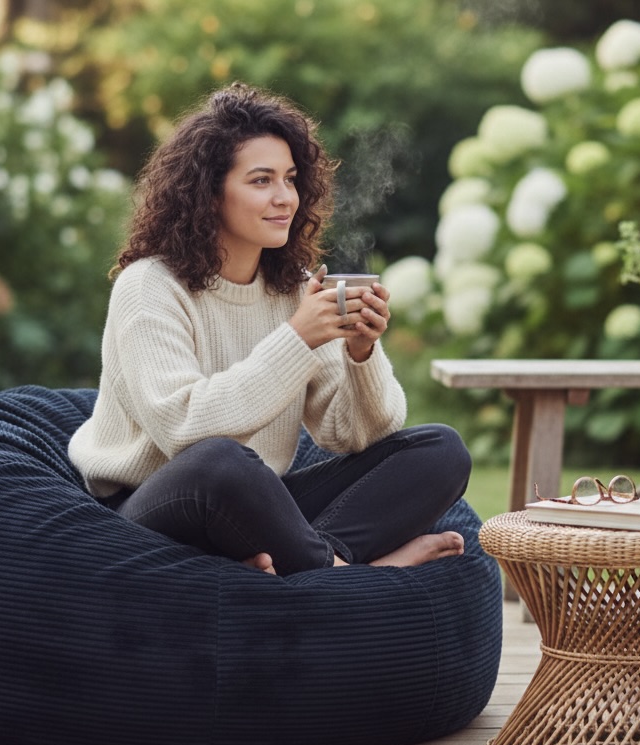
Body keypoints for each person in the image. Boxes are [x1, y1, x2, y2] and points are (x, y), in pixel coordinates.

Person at [69, 83, 471, 576]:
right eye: (261, 181)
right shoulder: (150, 286)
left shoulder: (292, 289)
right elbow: (185, 432)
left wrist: (362, 354)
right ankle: (351, 576)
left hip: (260, 506)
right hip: (155, 506)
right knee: (222, 461)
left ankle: (316, 562)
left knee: (439, 449)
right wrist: (297, 340)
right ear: (208, 193)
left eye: (290, 179)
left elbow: (355, 436)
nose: (285, 198)